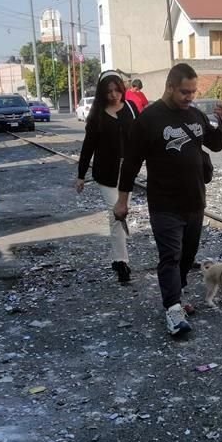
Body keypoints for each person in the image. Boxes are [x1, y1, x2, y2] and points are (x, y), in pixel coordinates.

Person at [115, 63, 222, 337]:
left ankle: (179, 293)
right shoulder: (148, 119)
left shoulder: (195, 115)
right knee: (170, 256)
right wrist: (122, 201)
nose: (189, 97)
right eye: (184, 92)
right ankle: (173, 310)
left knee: (187, 256)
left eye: (193, 92)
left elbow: (214, 143)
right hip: (164, 204)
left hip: (195, 202)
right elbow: (130, 164)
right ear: (170, 87)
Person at [76, 70, 139, 283]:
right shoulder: (97, 116)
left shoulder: (131, 108)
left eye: (116, 90)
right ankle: (122, 262)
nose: (114, 95)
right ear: (103, 93)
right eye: (109, 91)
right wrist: (81, 175)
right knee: (117, 215)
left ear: (122, 89)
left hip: (127, 173)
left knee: (122, 213)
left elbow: (143, 136)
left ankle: (117, 258)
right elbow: (88, 147)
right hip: (106, 174)